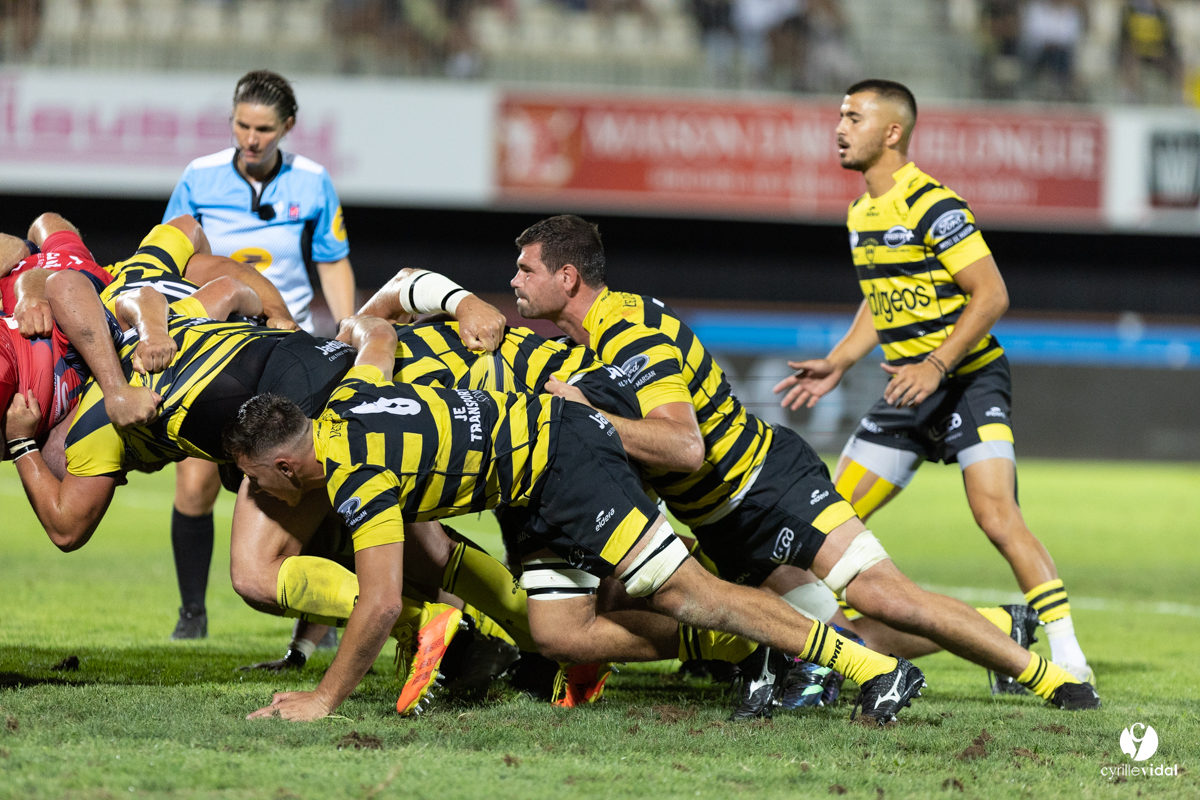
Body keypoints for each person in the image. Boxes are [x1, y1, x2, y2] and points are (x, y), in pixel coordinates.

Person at [504, 214, 1098, 713]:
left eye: (526, 269)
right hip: (721, 523)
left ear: (568, 275)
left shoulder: (630, 334)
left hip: (768, 486)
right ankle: (1000, 620)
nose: (515, 280)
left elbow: (685, 448)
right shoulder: (584, 341)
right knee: (834, 638)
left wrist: (590, 417)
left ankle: (1059, 683)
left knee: (885, 599)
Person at [224, 316, 923, 725]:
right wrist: (364, 320)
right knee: (561, 633)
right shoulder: (349, 398)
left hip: (565, 457)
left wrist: (323, 698)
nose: (253, 495)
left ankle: (871, 665)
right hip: (534, 477)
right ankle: (751, 649)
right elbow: (375, 339)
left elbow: (378, 605)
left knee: (687, 592)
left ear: (286, 466)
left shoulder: (358, 476)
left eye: (251, 481)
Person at [772, 79, 1094, 689]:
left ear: (892, 132)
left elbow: (991, 294)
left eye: (854, 117)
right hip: (908, 391)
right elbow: (880, 300)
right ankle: (828, 652)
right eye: (839, 115)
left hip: (967, 379)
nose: (839, 127)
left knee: (996, 515)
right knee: (825, 520)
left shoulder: (934, 205)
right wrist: (839, 360)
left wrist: (938, 364)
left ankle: (1070, 657)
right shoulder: (862, 212)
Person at [163, 70, 358, 639]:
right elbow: (172, 254)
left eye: (265, 129)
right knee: (196, 483)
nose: (252, 138)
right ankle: (192, 616)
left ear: (288, 127)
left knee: (310, 480)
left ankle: (317, 627)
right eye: (243, 125)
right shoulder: (198, 177)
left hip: (287, 350)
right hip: (219, 351)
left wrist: (343, 327)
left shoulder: (313, 181)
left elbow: (333, 258)